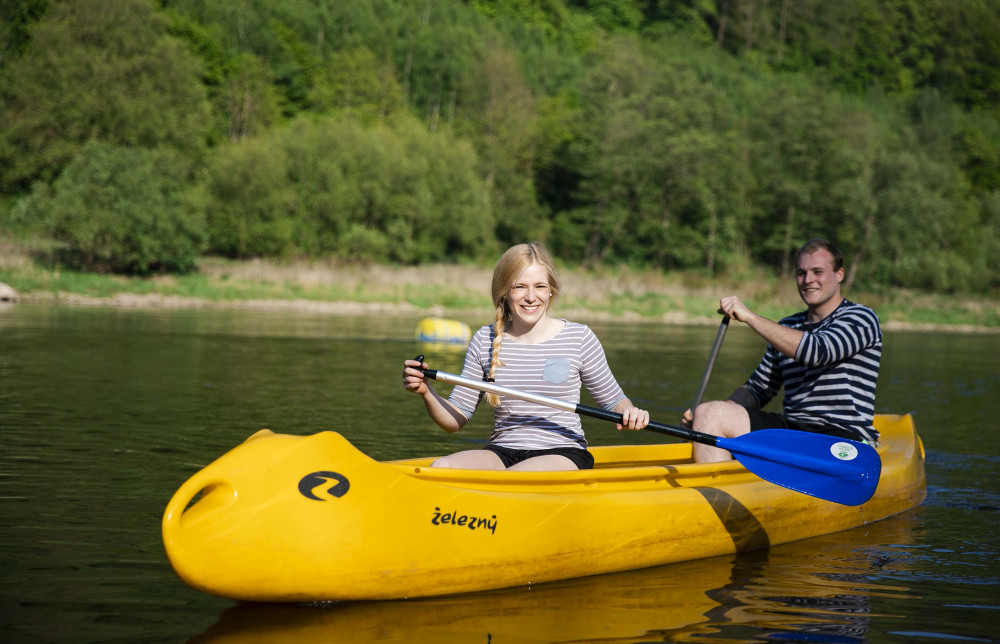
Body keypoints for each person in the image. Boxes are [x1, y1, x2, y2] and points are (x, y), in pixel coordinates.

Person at [402, 242, 649, 471]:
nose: (531, 297)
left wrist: (630, 412)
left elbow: (614, 402)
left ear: (551, 291)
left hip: (563, 454)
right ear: (504, 293)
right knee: (442, 467)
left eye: (540, 286)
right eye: (520, 286)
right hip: (502, 452)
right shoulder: (484, 340)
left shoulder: (579, 337)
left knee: (513, 478)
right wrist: (426, 391)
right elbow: (454, 420)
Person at [682, 238, 882, 463]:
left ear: (839, 274)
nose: (808, 280)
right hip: (794, 433)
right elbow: (758, 388)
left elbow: (817, 351)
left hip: (844, 439)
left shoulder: (861, 318)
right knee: (710, 412)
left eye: (817, 272)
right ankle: (713, 493)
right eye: (801, 273)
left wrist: (750, 317)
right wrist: (705, 418)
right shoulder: (787, 326)